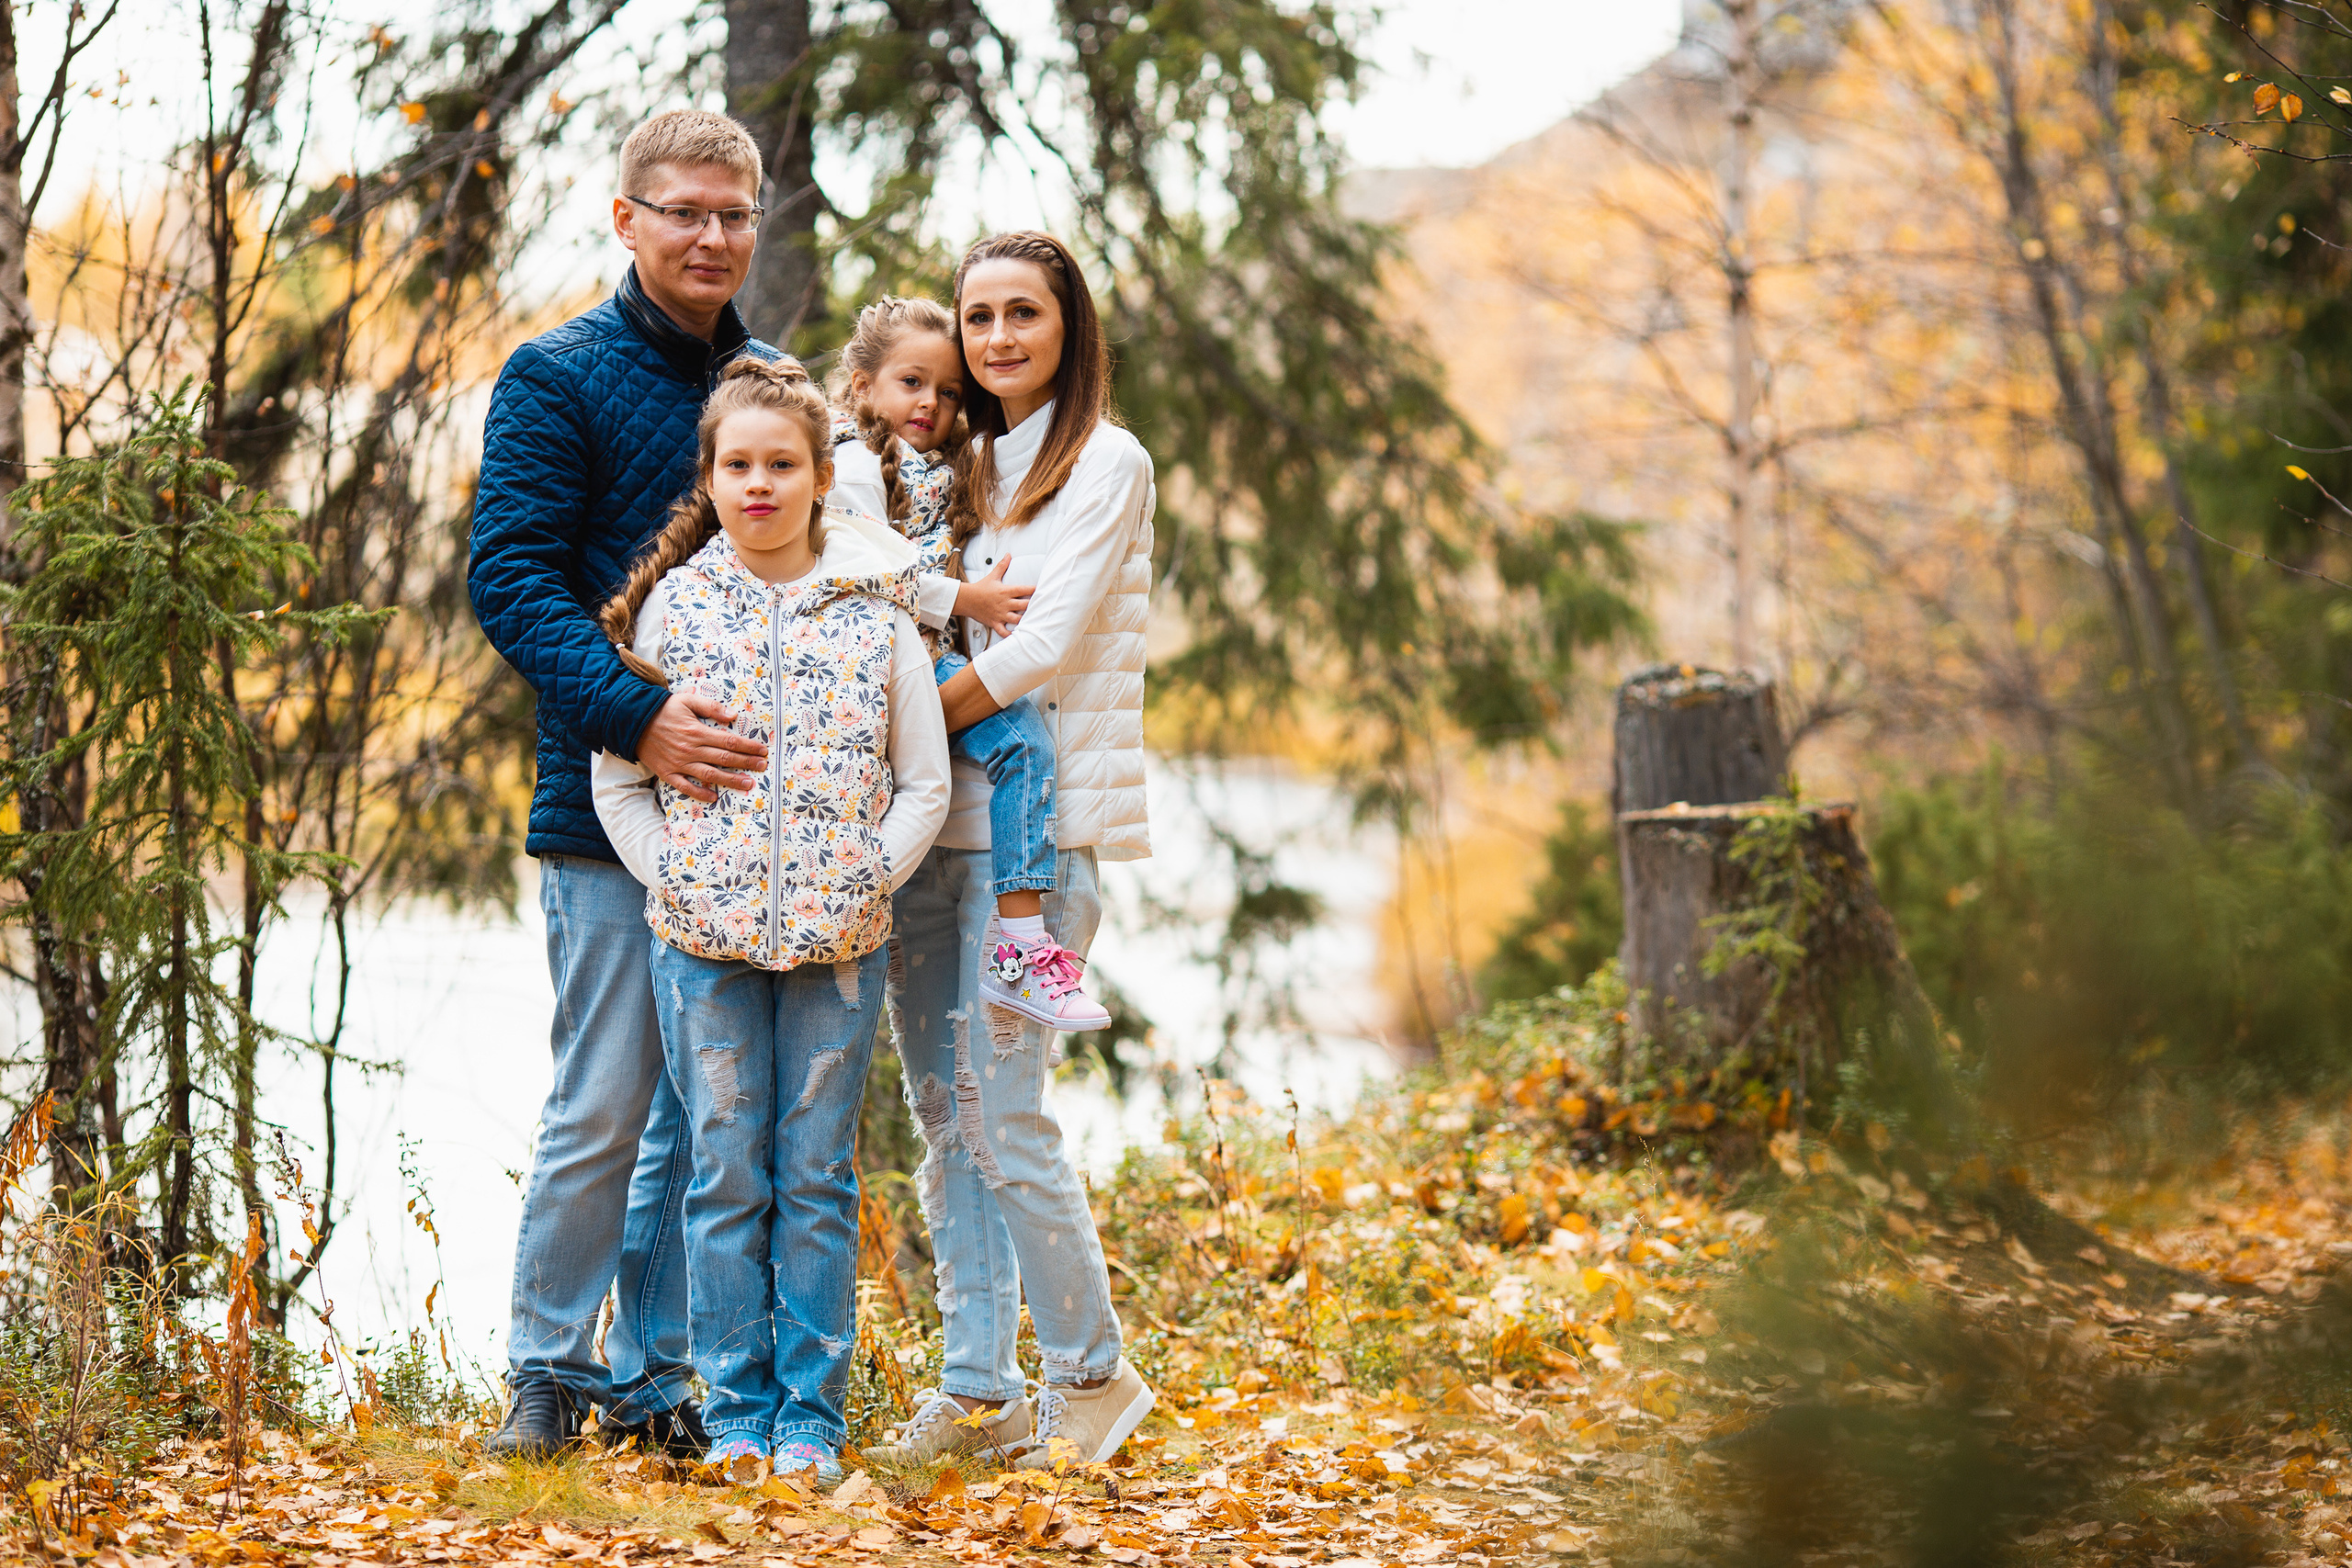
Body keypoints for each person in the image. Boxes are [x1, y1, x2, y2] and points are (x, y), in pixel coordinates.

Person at [468, 108, 780, 1460]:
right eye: (684, 211)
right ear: (627, 219)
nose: (711, 236)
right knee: (603, 1101)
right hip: (604, 803)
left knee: (708, 1111)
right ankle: (548, 1369)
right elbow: (511, 580)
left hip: (752, 815)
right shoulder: (558, 375)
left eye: (733, 214)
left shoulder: (773, 386)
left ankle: (657, 1384)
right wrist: (640, 718)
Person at [591, 357, 949, 1482]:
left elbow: (923, 783)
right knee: (724, 1177)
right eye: (737, 465)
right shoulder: (675, 608)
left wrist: (868, 877)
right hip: (703, 948)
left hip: (839, 951)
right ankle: (738, 1413)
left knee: (816, 1182)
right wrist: (674, 877)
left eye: (781, 464)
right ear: (710, 477)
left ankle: (811, 1422)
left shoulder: (877, 619)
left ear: (819, 478)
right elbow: (618, 778)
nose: (758, 484)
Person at [865, 232, 1159, 1471]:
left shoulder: (1107, 461)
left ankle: (1093, 1376)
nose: (996, 337)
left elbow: (1040, 651)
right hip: (930, 835)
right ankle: (979, 1390)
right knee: (948, 1123)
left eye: (1022, 312)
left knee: (1008, 1116)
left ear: (1067, 325)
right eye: (977, 315)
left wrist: (889, 722)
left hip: (1034, 852)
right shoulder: (962, 464)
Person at [828, 296, 1112, 1032]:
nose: (931, 403)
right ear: (862, 385)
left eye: (949, 392)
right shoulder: (852, 465)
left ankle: (1019, 943)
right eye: (911, 382)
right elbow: (856, 569)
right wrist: (967, 598)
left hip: (921, 659)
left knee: (1019, 746)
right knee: (1022, 744)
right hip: (887, 664)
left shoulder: (937, 466)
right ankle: (1021, 947)